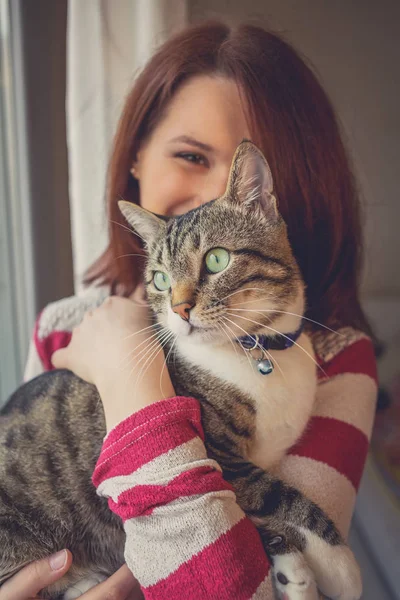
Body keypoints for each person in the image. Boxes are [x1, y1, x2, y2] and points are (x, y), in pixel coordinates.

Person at [1, 21, 378, 600]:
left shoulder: (336, 356)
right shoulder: (60, 326)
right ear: (136, 157)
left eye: (249, 173)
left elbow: (265, 591)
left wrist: (132, 379)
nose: (216, 197)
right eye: (191, 155)